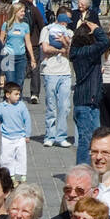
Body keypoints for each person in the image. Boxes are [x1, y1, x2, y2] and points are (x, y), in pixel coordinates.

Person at [69, 19, 109, 164]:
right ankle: (83, 172)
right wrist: (98, 29)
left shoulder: (75, 51)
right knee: (87, 141)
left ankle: (89, 170)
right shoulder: (87, 52)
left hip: (84, 100)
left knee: (90, 140)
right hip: (87, 102)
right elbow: (105, 42)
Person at [38, 10, 74, 149]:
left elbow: (71, 53)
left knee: (64, 106)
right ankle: (49, 136)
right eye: (66, 22)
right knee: (51, 106)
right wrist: (60, 51)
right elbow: (45, 49)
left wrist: (65, 44)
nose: (66, 26)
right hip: (50, 72)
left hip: (65, 73)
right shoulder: (46, 30)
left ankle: (61, 136)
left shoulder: (69, 33)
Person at [0, 81, 31, 182]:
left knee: (21, 156)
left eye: (19, 94)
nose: (18, 96)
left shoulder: (21, 106)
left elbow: (27, 120)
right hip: (7, 137)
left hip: (20, 136)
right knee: (6, 157)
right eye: (16, 94)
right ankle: (10, 175)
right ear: (7, 95)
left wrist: (27, 135)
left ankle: (23, 175)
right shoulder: (2, 106)